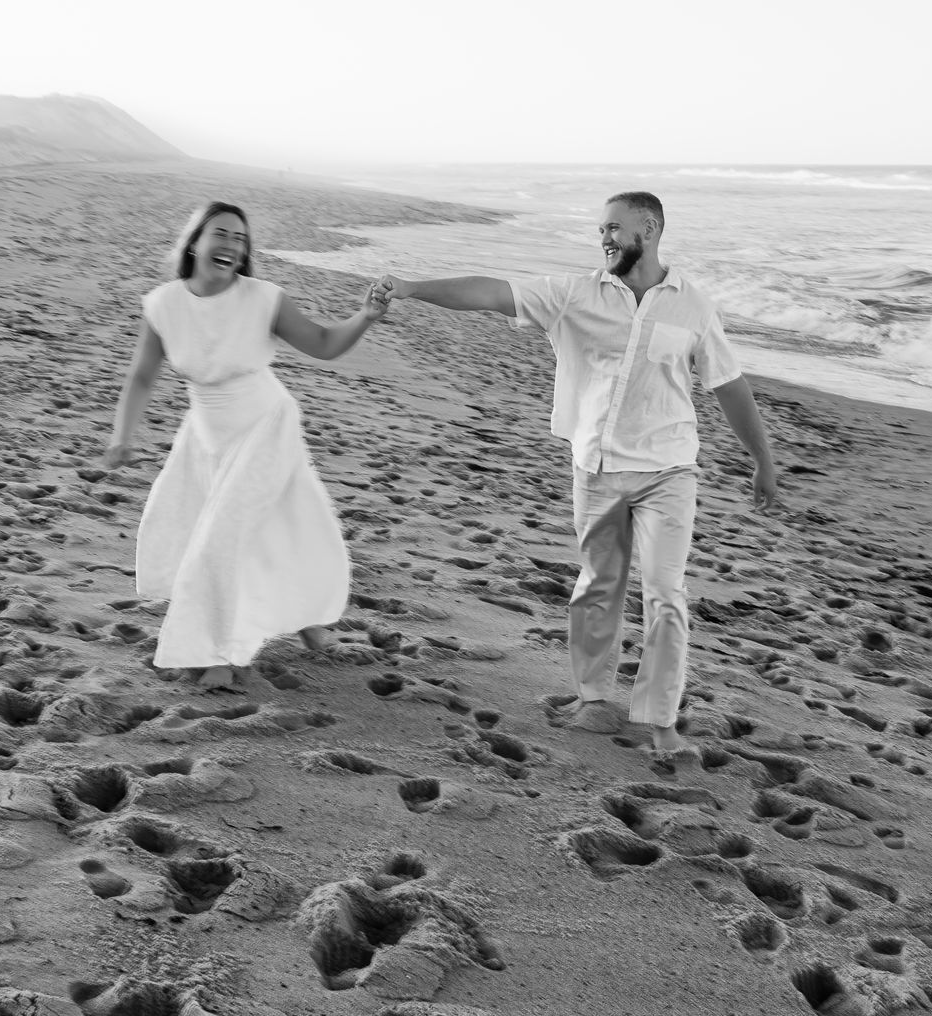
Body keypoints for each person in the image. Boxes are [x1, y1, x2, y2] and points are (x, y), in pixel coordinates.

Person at [380, 191, 778, 759]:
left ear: (651, 226)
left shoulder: (693, 304)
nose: (605, 238)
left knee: (666, 592)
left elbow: (728, 384)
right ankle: (595, 698)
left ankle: (660, 719)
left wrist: (762, 460)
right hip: (595, 466)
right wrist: (413, 289)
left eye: (614, 228)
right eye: (601, 230)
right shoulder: (574, 294)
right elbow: (494, 293)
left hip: (669, 469)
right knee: (598, 586)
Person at [102, 200, 388, 690]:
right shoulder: (164, 304)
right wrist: (122, 436)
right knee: (275, 526)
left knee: (224, 538)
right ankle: (308, 622)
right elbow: (142, 375)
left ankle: (216, 652)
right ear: (195, 241)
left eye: (241, 239)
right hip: (207, 434)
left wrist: (364, 316)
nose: (233, 245)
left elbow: (322, 343)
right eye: (222, 234)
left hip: (265, 425)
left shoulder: (263, 298)